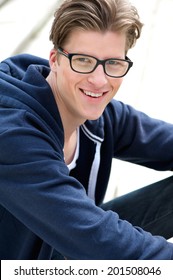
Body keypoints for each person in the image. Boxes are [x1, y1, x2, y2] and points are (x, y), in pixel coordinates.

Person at [0, 0, 173, 260]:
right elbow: (100, 241)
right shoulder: (13, 134)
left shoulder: (99, 114)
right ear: (55, 59)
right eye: (83, 60)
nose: (99, 80)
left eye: (113, 63)